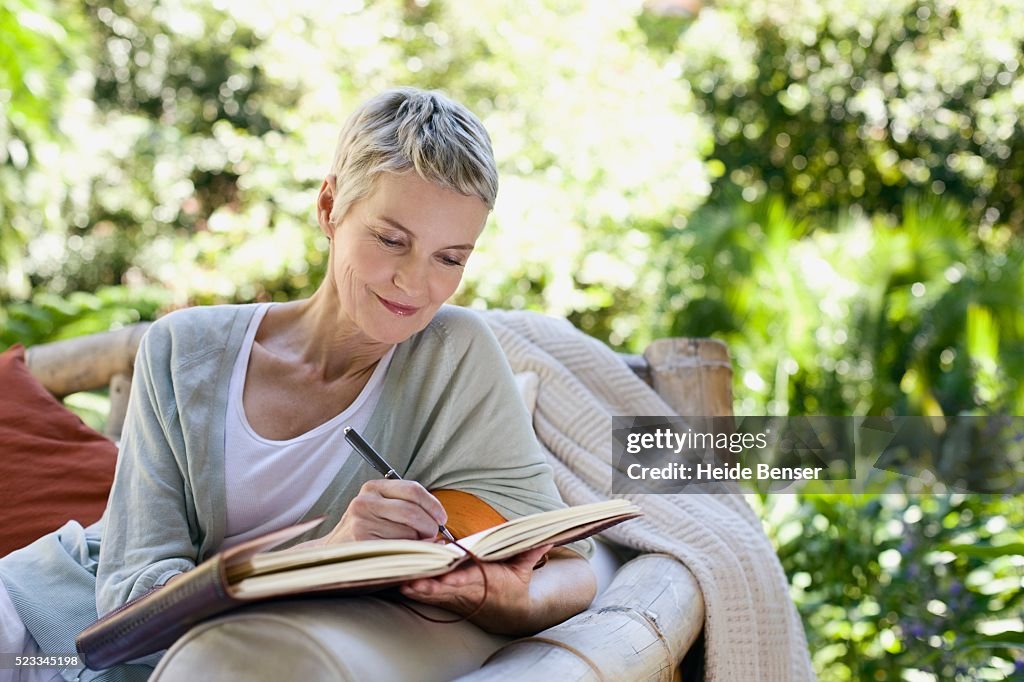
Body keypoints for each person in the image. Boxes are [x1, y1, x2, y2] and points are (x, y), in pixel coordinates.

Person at [0, 87, 597, 682]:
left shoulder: (452, 356)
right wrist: (328, 553)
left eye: (451, 258)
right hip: (39, 619)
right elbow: (129, 600)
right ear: (330, 206)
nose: (415, 283)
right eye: (391, 240)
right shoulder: (182, 349)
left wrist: (502, 601)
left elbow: (571, 564)